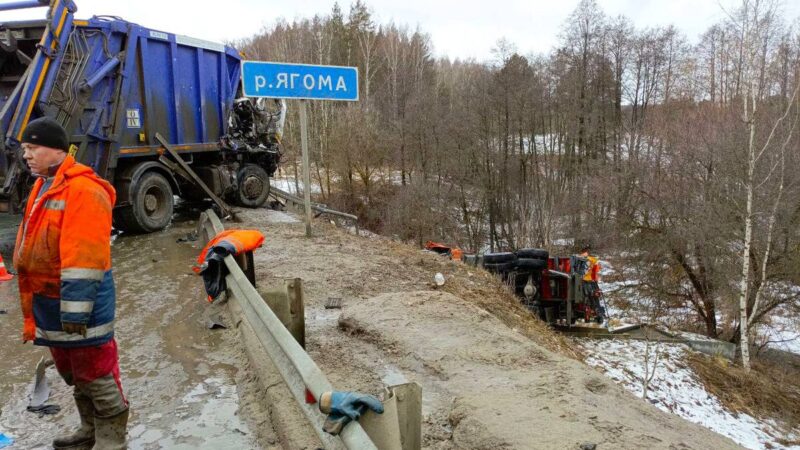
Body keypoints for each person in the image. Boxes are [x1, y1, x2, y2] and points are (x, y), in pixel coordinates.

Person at [13, 117, 128, 449]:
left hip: (80, 306)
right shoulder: (44, 184)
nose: (26, 155)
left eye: (33, 148)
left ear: (57, 150)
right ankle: (88, 430)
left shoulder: (84, 189)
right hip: (52, 303)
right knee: (74, 372)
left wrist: (76, 313)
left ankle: (111, 441)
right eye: (24, 149)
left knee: (96, 372)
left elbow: (84, 259)